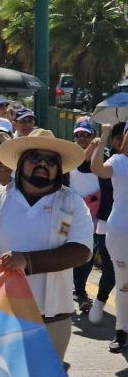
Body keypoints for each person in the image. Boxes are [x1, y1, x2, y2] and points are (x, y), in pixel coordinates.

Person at [0, 128, 92, 362]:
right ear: (21, 162)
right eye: (35, 158)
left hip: (52, 319)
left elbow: (80, 251)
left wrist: (27, 260)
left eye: (50, 161)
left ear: (58, 168)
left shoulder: (72, 203)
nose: (43, 164)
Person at [90, 122, 128, 353]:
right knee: (124, 285)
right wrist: (104, 135)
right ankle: (121, 331)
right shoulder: (118, 161)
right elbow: (96, 169)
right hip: (120, 232)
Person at [68, 119, 103, 313]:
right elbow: (81, 164)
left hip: (95, 215)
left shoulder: (102, 156)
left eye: (87, 135)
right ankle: (73, 289)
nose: (82, 138)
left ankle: (80, 290)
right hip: (71, 214)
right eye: (78, 134)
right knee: (68, 251)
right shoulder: (69, 158)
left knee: (87, 254)